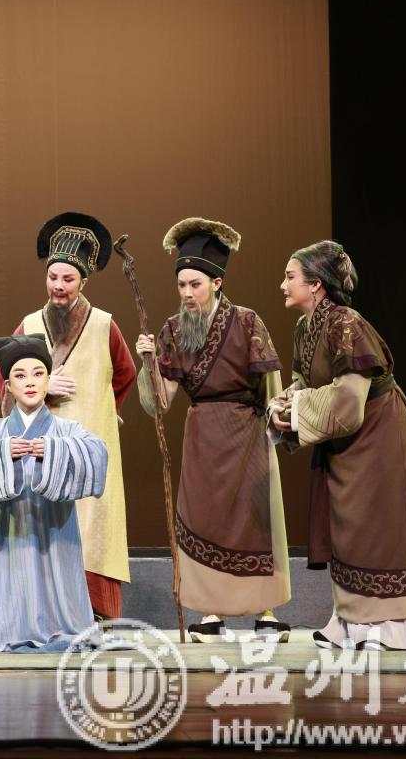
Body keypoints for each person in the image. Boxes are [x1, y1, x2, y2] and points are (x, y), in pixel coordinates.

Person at [271, 240, 406, 650]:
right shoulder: (305, 327)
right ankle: (348, 622)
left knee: (379, 527)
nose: (283, 285)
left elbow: (348, 398)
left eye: (290, 277)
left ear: (316, 284)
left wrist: (298, 409)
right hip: (345, 439)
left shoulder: (346, 323)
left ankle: (393, 628)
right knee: (347, 526)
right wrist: (281, 406)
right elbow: (304, 385)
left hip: (379, 434)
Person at [135, 218, 291, 643]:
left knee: (254, 520)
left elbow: (270, 385)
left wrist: (276, 427)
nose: (187, 293)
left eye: (195, 285)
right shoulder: (172, 329)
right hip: (202, 434)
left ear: (217, 283)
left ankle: (266, 611)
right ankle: (209, 613)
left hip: (247, 430)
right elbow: (160, 403)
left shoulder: (247, 322)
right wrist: (147, 363)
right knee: (204, 520)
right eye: (181, 285)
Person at [0, 212, 136, 620]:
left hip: (88, 440)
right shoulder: (30, 324)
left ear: (83, 281)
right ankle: (46, 610)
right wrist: (41, 388)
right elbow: (5, 375)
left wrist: (105, 413)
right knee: (47, 523)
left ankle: (96, 611)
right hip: (43, 441)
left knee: (93, 524)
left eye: (68, 279)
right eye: (53, 277)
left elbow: (125, 373)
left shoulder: (104, 325)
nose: (59, 286)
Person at [0, 334, 108, 652]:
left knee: (57, 583)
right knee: (5, 584)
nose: (30, 382)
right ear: (8, 386)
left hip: (55, 528)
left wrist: (55, 450)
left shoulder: (66, 430)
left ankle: (58, 626)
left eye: (38, 374)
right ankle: (0, 627)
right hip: (8, 528)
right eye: (20, 376)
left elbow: (97, 452)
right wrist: (2, 452)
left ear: (48, 380)